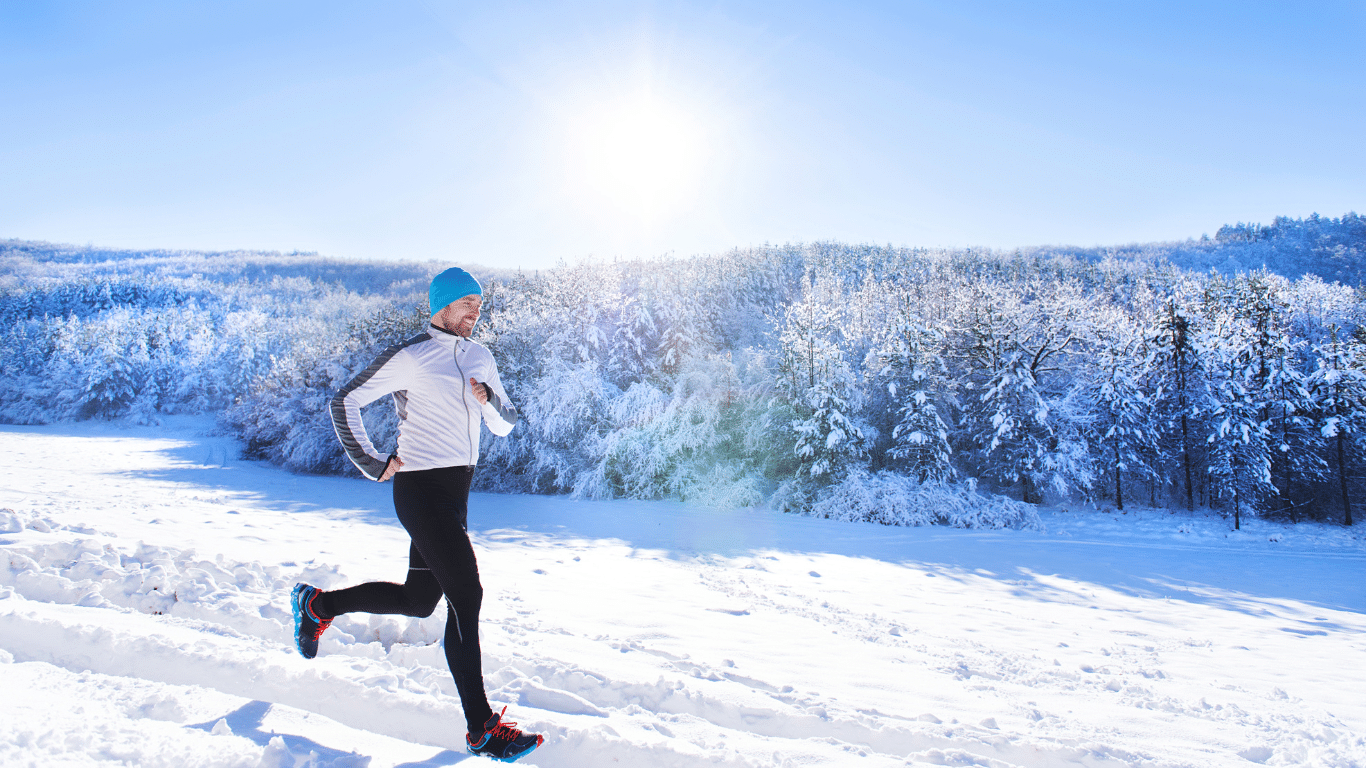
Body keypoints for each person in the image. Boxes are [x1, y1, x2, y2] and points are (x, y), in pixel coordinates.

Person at [291, 266, 542, 762]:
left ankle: (318, 605)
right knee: (465, 594)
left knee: (418, 600)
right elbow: (346, 401)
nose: (475, 312)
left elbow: (506, 424)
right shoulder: (413, 356)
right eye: (467, 303)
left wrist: (488, 398)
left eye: (479, 305)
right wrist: (373, 462)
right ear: (441, 306)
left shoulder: (480, 357)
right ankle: (481, 728)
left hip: (456, 493)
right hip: (420, 490)